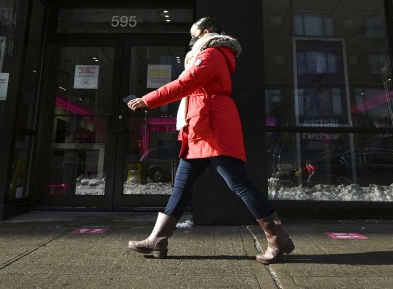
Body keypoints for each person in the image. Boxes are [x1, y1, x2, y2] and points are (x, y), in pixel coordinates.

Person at [126, 16, 294, 264]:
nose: (191, 38)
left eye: (193, 33)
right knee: (181, 188)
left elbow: (186, 83)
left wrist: (147, 100)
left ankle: (277, 237)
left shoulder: (212, 53)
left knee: (240, 184)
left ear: (205, 31)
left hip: (213, 129)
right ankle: (157, 240)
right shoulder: (208, 54)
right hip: (200, 130)